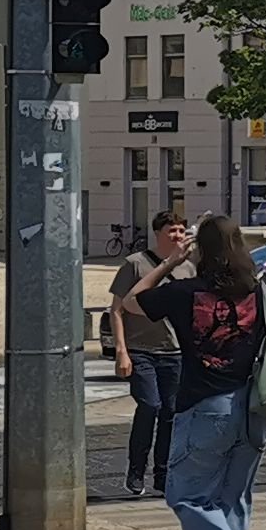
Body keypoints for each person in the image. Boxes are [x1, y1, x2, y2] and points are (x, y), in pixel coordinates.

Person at [141, 215, 266, 530]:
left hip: (205, 408)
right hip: (253, 408)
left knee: (186, 496)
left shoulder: (185, 291)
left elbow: (133, 300)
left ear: (200, 250)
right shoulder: (261, 291)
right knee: (231, 502)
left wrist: (166, 263)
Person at [109, 209, 189, 496]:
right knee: (149, 406)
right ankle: (136, 470)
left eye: (181, 230)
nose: (177, 235)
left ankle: (162, 474)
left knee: (170, 413)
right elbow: (116, 310)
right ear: (158, 233)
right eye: (171, 230)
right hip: (141, 350)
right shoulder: (135, 264)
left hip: (175, 353)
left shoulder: (188, 267)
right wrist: (122, 350)